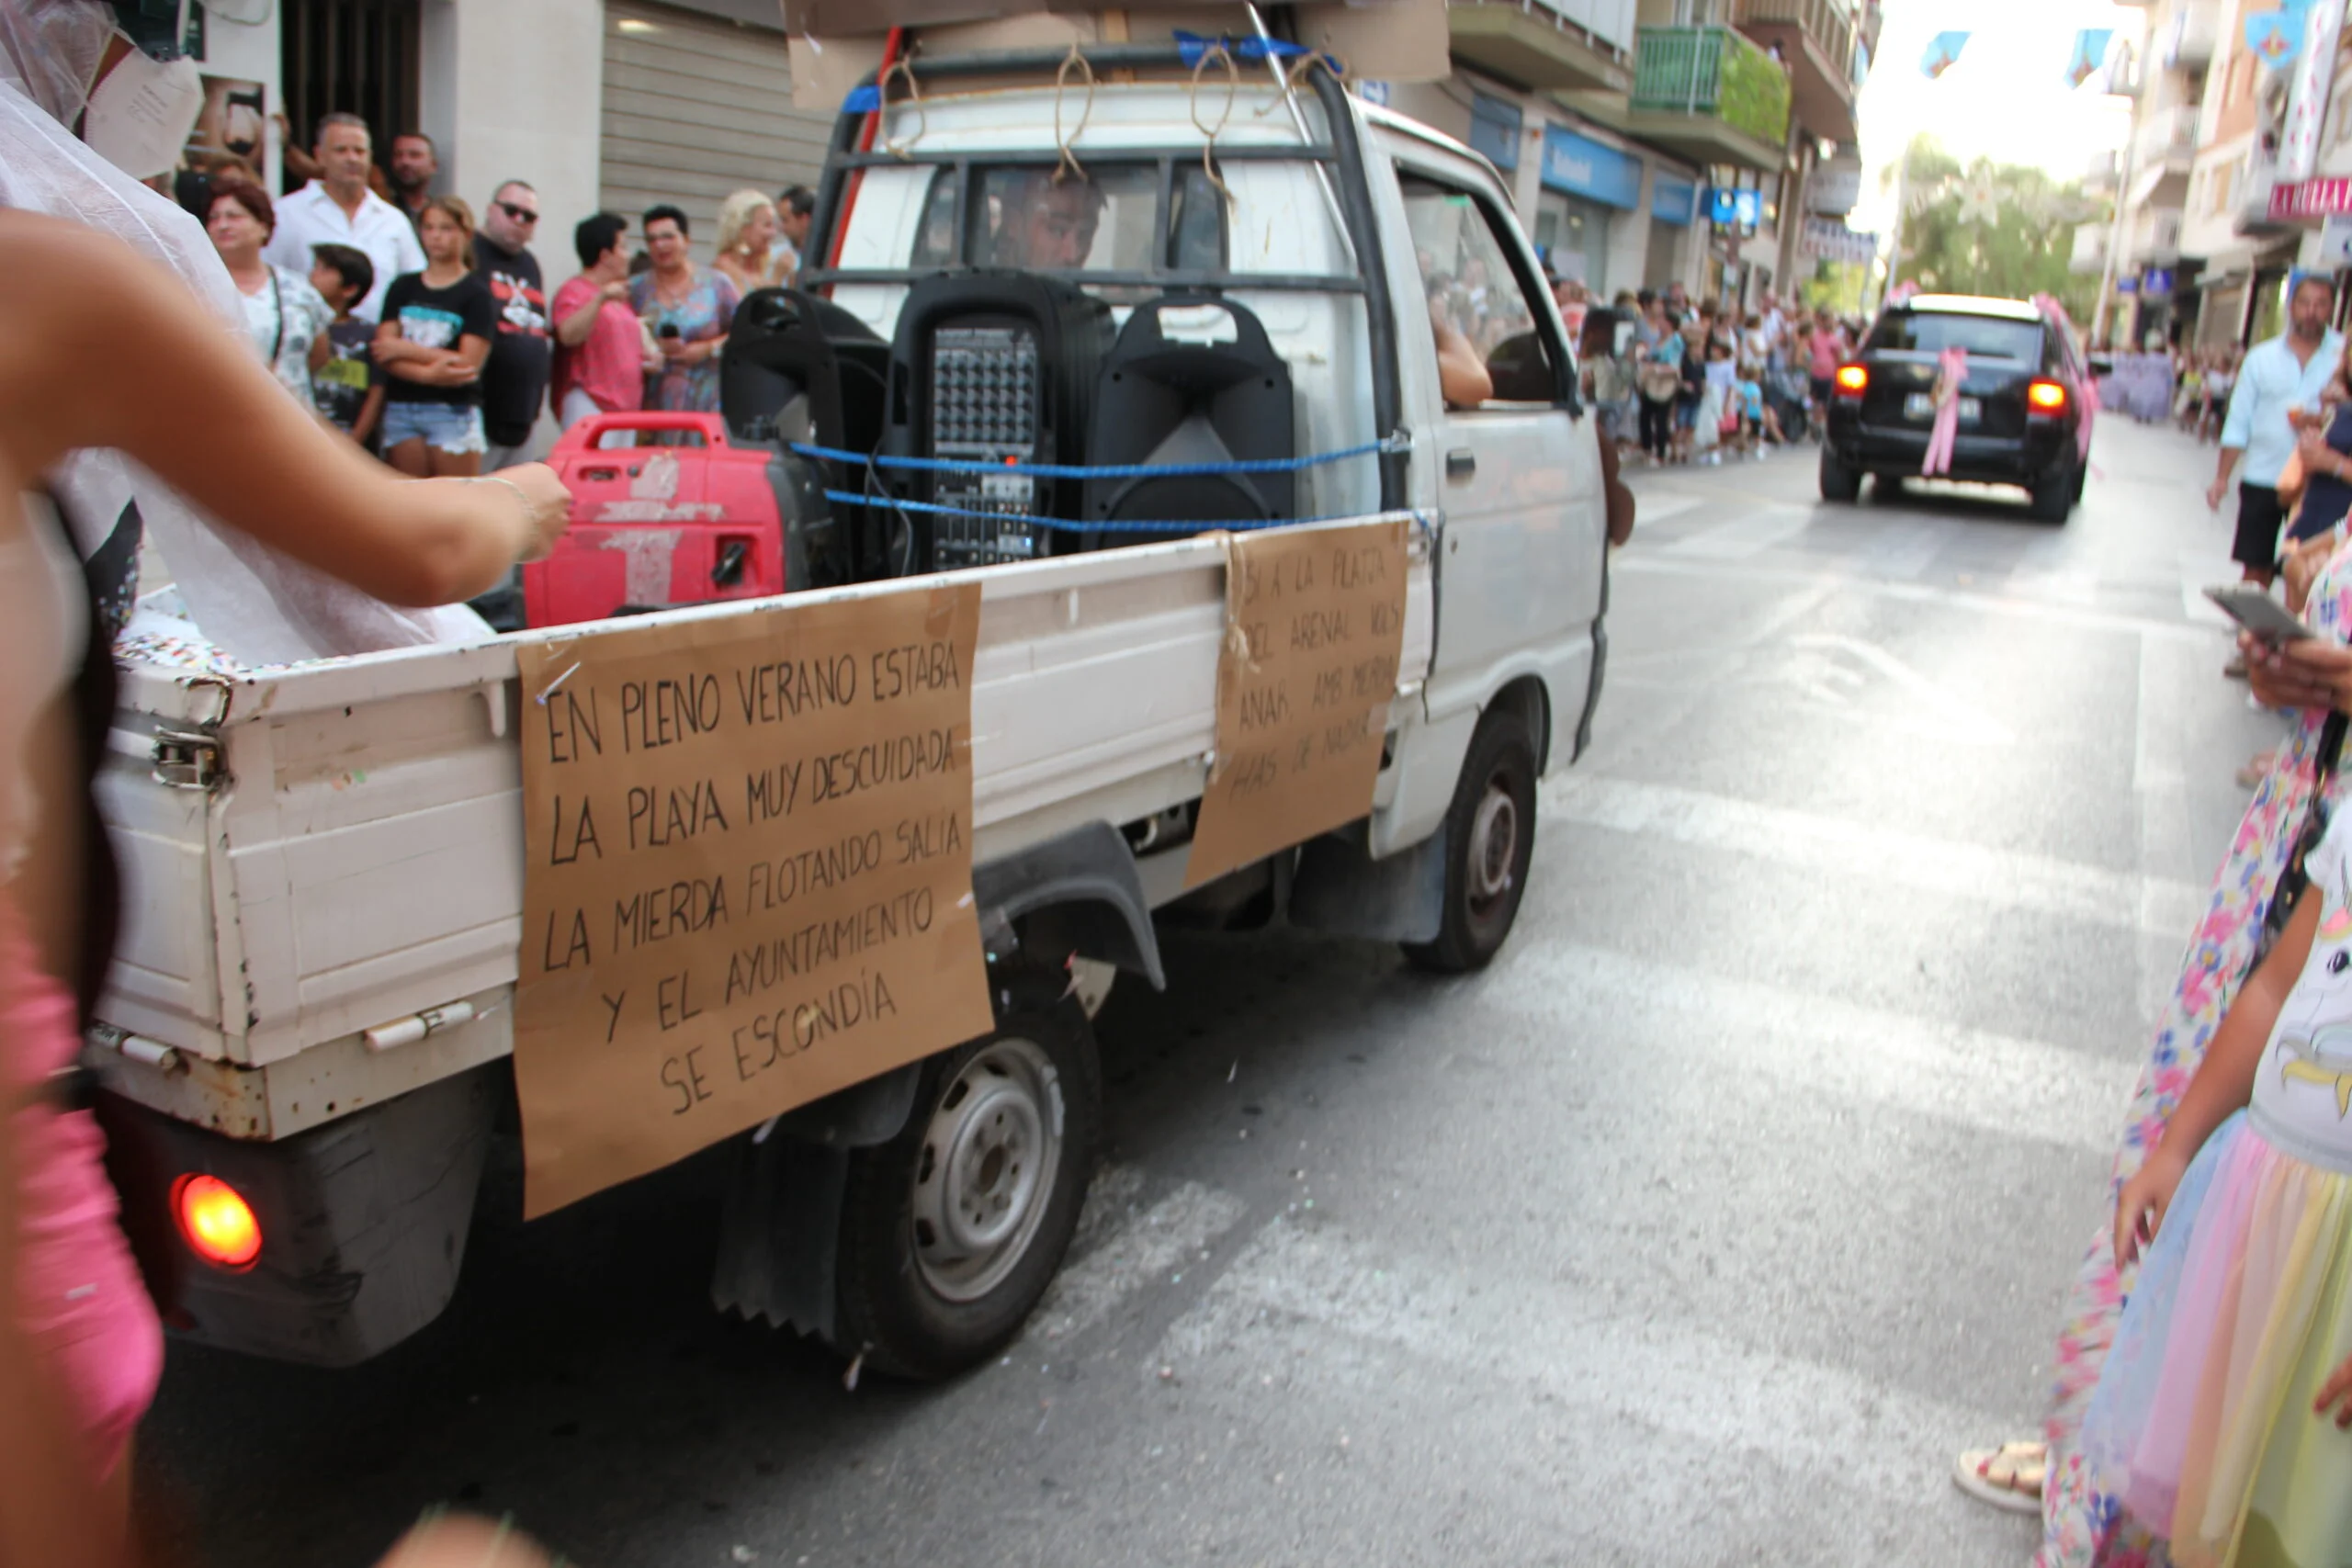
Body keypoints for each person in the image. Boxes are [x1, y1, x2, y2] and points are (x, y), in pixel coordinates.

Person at [2070, 796, 2352, 1564]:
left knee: (2306, 1514)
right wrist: (2177, 1144)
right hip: (2261, 1207)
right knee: (2213, 1480)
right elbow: (2276, 985)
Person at [2209, 274, 2343, 607]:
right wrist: (2222, 478)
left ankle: (2294, 646)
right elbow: (2238, 422)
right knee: (2256, 566)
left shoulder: (2343, 356)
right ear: (2291, 307)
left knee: (2308, 569)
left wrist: (2331, 410)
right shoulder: (2261, 358)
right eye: (2304, 303)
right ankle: (2251, 641)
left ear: (2331, 308)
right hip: (2265, 476)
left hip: (2319, 484)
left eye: (2320, 304)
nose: (2311, 311)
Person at [375, 196, 497, 476]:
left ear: (465, 234)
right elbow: (384, 350)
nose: (435, 237)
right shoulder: (403, 287)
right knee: (410, 499)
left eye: (445, 228)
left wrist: (406, 349)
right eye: (429, 228)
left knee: (455, 500)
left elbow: (467, 364)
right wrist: (428, 374)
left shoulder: (476, 294)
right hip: (402, 405)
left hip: (452, 410)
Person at [264, 113, 424, 322]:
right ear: (319, 155)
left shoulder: (393, 220)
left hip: (376, 345)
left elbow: (416, 286)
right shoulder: (286, 212)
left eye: (359, 151)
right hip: (308, 341)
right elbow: (266, 280)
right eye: (341, 150)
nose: (352, 158)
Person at [204, 176, 333, 413]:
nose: (222, 225)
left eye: (234, 216)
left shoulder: (297, 288)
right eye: (214, 218)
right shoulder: (197, 287)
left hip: (291, 419)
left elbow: (318, 354)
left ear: (263, 226)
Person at [628, 203, 739, 414]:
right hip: (652, 403)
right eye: (652, 239)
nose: (660, 245)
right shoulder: (635, 289)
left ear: (686, 241)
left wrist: (707, 348)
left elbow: (743, 331)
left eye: (668, 237)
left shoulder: (716, 284)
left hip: (705, 399)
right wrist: (652, 348)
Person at [472, 179, 551, 470]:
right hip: (479, 410)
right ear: (491, 210)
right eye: (511, 210)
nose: (519, 220)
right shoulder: (469, 252)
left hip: (524, 409)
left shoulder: (529, 263)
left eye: (528, 216)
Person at [552, 211, 652, 430]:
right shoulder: (574, 292)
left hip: (626, 412)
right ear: (606, 255)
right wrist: (601, 298)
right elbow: (568, 335)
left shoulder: (621, 298)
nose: (628, 255)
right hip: (591, 405)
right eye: (623, 247)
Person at [307, 243, 385, 448]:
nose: (313, 275)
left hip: (352, 441)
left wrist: (355, 441)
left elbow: (376, 392)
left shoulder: (369, 334)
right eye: (314, 267)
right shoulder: (301, 327)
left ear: (350, 289)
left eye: (324, 270)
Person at [989, 170, 1106, 269]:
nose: (1072, 255)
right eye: (1057, 230)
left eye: (1085, 235)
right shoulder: (979, 293)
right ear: (1013, 223)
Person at [712, 187, 782, 298]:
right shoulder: (724, 269)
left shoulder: (764, 264)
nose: (773, 233)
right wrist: (778, 276)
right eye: (767, 225)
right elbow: (746, 309)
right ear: (744, 229)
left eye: (773, 225)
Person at [386, 129, 438, 231]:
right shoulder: (380, 210)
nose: (405, 161)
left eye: (414, 155)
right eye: (398, 155)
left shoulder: (441, 213)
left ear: (434, 165)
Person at [777, 184, 815, 281]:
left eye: (785, 220)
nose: (781, 227)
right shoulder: (778, 257)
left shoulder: (829, 257)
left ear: (804, 220)